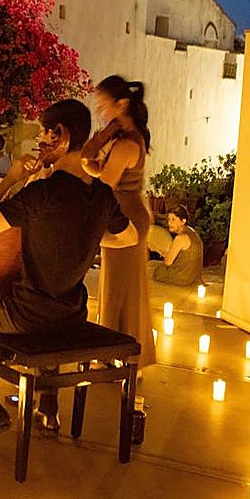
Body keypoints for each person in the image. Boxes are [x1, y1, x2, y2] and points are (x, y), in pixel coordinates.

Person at [0, 99, 137, 442]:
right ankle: (45, 408)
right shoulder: (101, 195)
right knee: (46, 306)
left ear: (61, 136)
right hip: (71, 315)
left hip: (24, 315)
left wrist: (9, 179)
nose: (39, 142)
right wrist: (90, 237)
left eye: (43, 134)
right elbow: (130, 237)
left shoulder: (42, 193)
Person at [81, 75, 157, 369]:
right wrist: (100, 141)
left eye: (103, 105)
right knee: (115, 288)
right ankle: (114, 354)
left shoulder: (127, 142)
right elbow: (96, 166)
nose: (100, 111)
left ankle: (128, 357)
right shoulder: (119, 137)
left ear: (121, 103)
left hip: (126, 218)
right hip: (120, 213)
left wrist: (93, 163)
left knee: (124, 292)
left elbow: (106, 181)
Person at [148, 205, 205, 286]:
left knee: (152, 267)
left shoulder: (181, 238)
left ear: (183, 221)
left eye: (173, 219)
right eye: (169, 219)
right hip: (194, 277)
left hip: (182, 278)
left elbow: (167, 262)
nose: (169, 223)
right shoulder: (192, 232)